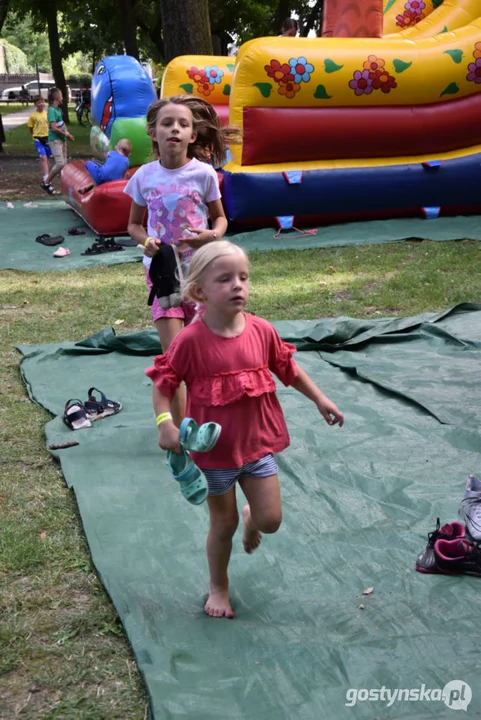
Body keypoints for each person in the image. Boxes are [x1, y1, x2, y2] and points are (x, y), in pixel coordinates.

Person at [145, 241, 344, 619]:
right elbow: (163, 385)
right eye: (225, 279)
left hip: (255, 447)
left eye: (243, 277)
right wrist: (164, 423)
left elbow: (288, 368)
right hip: (215, 455)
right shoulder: (190, 341)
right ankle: (218, 586)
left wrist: (320, 399)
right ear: (199, 292)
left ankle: (253, 518)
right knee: (223, 523)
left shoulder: (261, 331)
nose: (238, 285)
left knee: (270, 520)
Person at [125, 95, 240, 427]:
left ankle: (216, 417)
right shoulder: (143, 177)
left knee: (206, 351)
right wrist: (145, 241)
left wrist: (210, 236)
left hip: (202, 275)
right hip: (163, 275)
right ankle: (185, 432)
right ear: (153, 132)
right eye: (166, 123)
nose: (174, 128)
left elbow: (220, 220)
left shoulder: (203, 174)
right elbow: (132, 224)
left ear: (192, 135)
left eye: (183, 124)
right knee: (175, 356)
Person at [41, 87, 74, 195]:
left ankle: (64, 189)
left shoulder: (59, 110)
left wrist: (67, 134)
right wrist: (65, 134)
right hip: (55, 140)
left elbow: (62, 124)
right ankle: (46, 182)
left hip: (62, 139)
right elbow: (54, 128)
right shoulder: (51, 110)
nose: (62, 97)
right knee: (60, 164)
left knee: (64, 165)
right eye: (61, 95)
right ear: (56, 97)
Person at [27, 96, 54, 192]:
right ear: (35, 104)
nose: (41, 104)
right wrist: (35, 135)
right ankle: (46, 176)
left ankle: (47, 178)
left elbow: (51, 126)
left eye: (42, 102)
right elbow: (30, 127)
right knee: (43, 157)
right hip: (37, 139)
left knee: (47, 157)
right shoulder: (33, 115)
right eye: (39, 102)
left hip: (47, 138)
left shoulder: (47, 114)